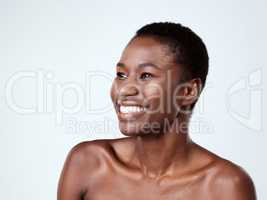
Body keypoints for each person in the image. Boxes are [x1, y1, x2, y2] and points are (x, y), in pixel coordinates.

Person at [57, 22, 256, 200]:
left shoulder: (225, 185)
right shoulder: (89, 163)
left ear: (187, 91)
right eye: (121, 74)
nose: (125, 89)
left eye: (145, 75)